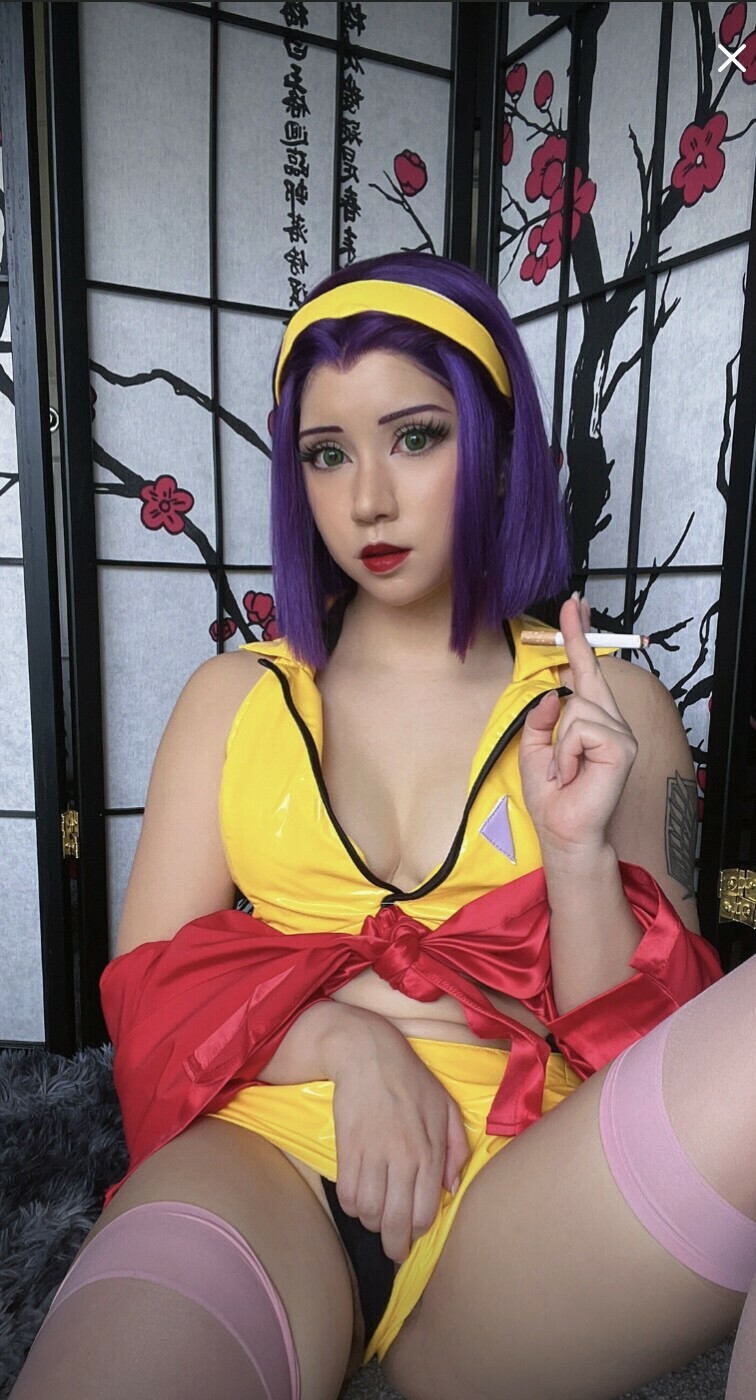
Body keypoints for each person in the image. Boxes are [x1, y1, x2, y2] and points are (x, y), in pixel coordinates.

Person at [10, 251, 756, 1400]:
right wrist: (348, 1045)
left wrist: (574, 855)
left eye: (415, 437)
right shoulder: (233, 699)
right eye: (327, 452)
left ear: (496, 448)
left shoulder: (612, 707)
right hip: (266, 1157)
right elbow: (148, 992)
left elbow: (646, 1047)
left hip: (530, 1190)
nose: (367, 497)